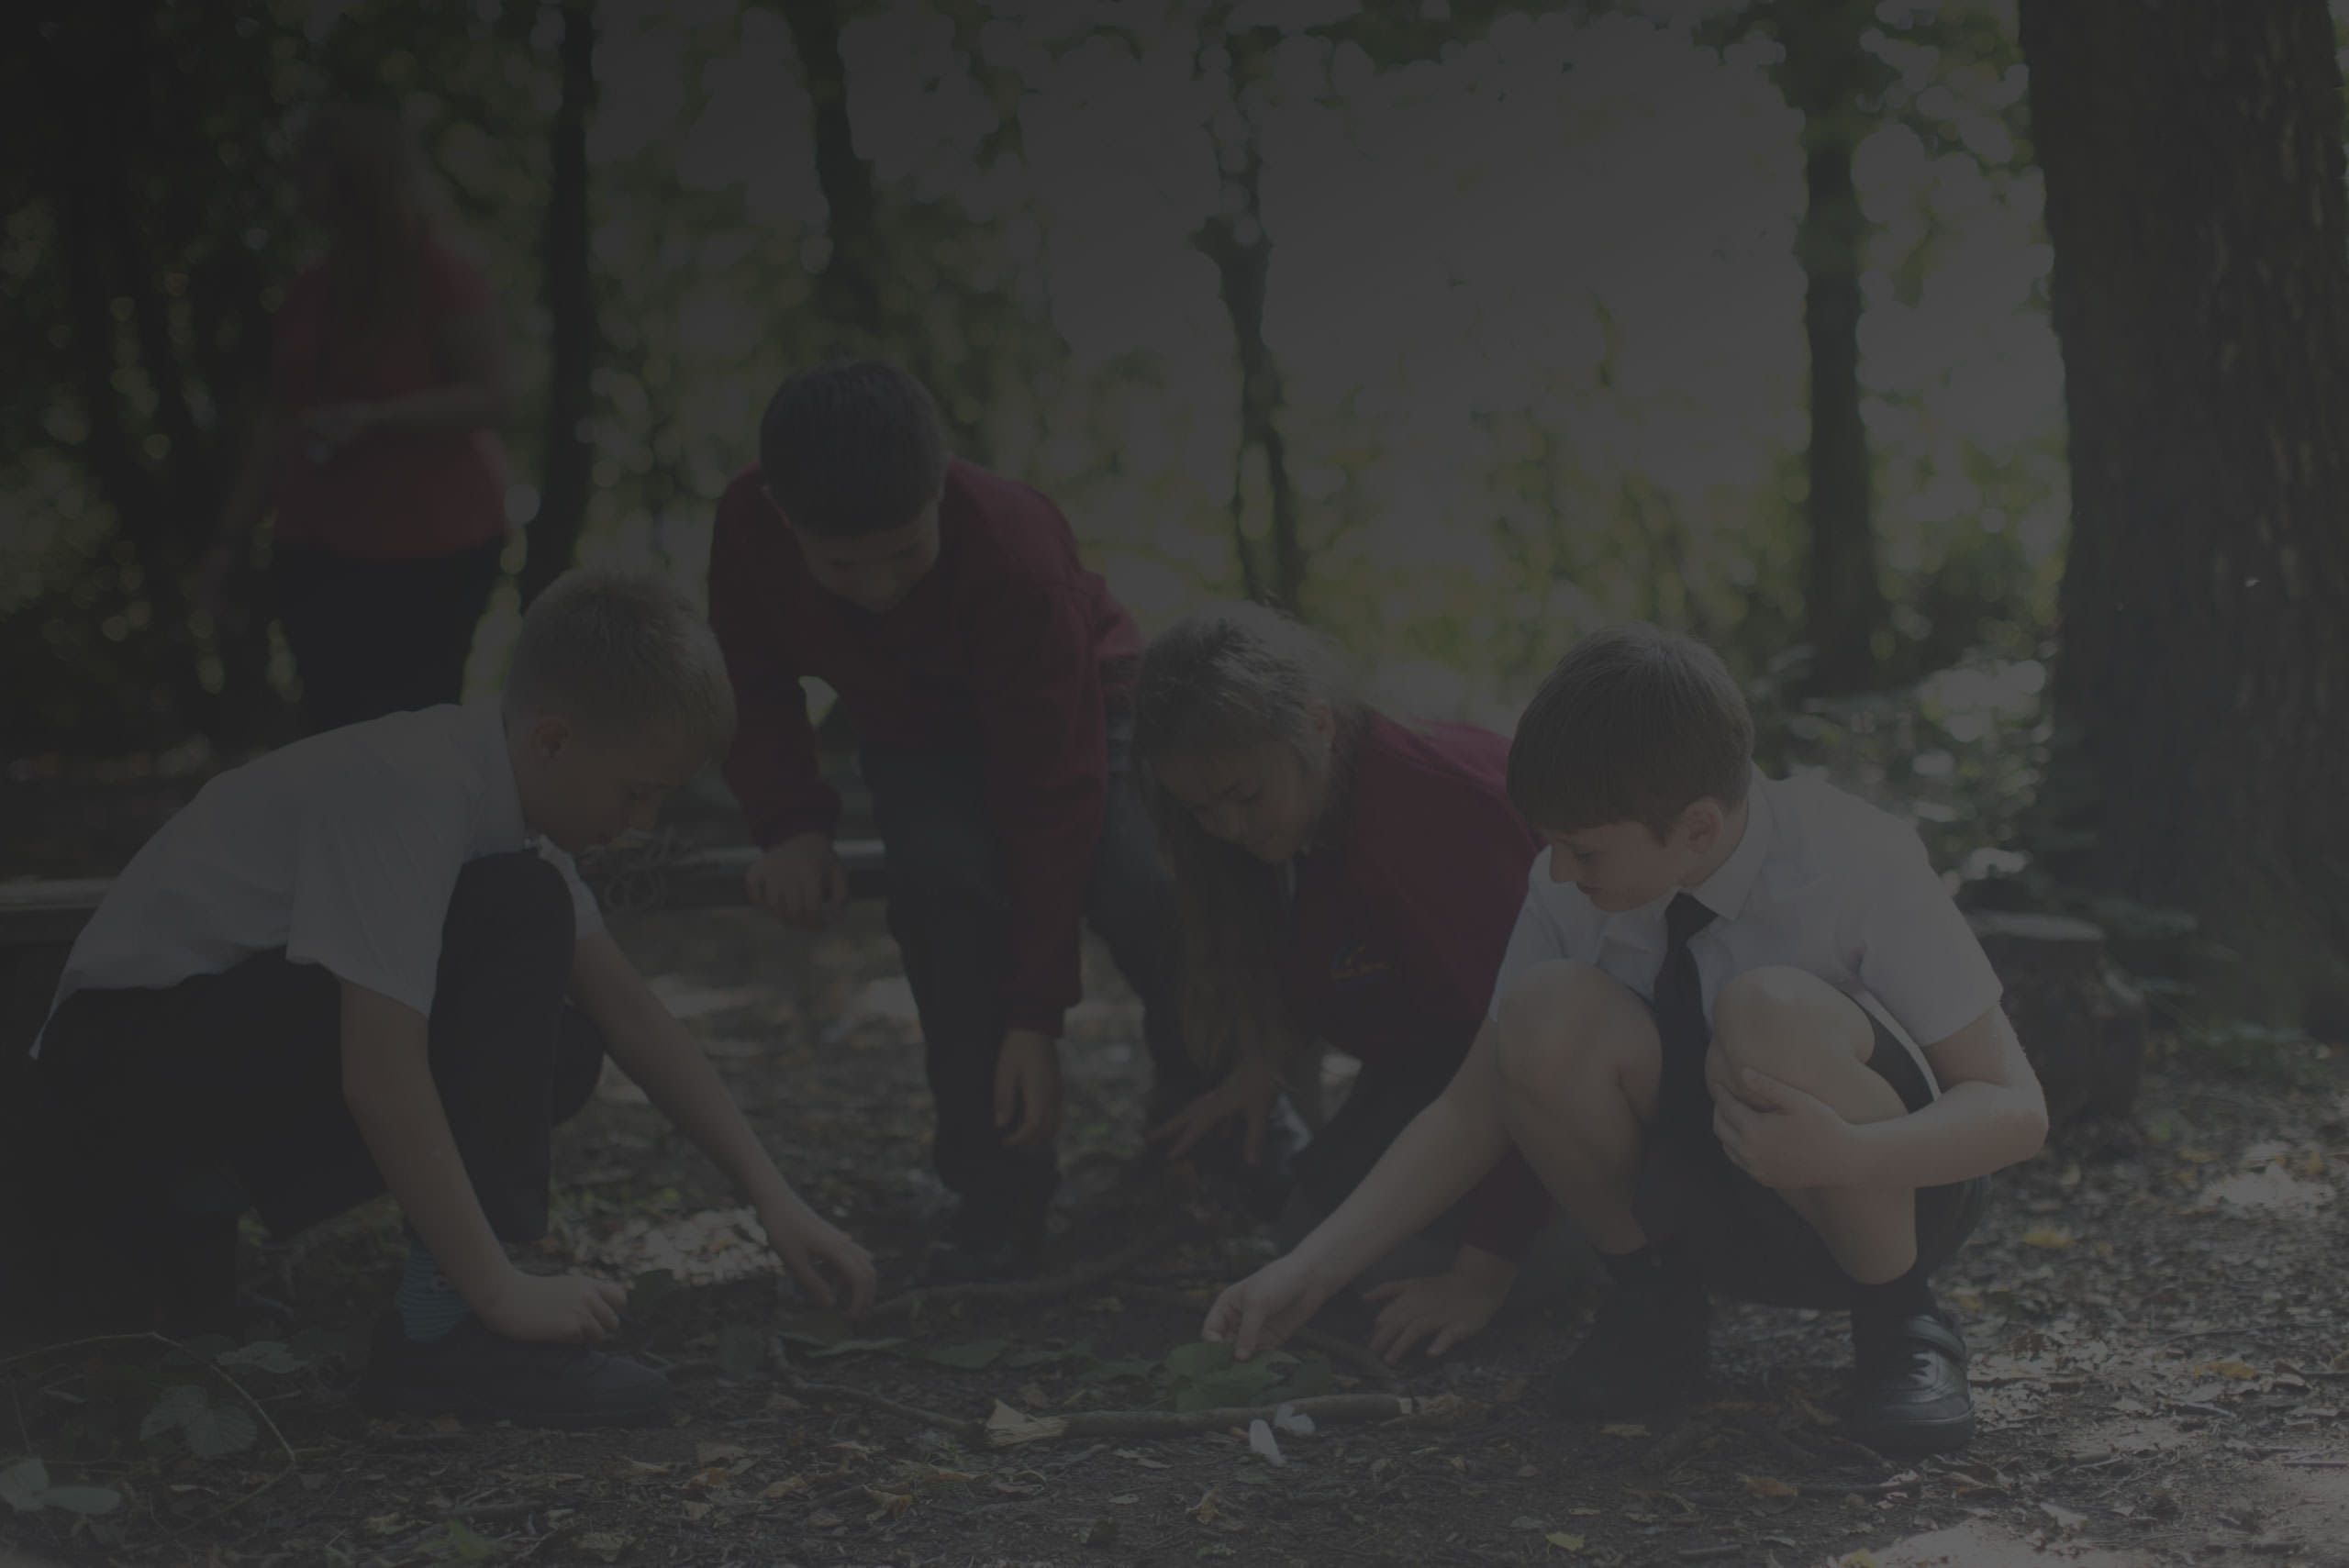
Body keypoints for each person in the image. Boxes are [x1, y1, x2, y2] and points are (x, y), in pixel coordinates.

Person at [26, 569, 875, 1427]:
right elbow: (379, 1076)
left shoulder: (502, 801)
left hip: (174, 1079)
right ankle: (452, 1330)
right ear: (553, 740)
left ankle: (190, 1236)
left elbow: (634, 1017)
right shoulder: (416, 787)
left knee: (567, 1044)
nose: (644, 822)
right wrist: (499, 1288)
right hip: (106, 1096)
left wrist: (775, 1199)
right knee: (522, 912)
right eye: (637, 791)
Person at [1199, 623, 2048, 1454]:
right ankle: (1654, 1303)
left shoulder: (1853, 855)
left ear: (1698, 828)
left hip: (1889, 1192)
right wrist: (1307, 1270)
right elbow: (1469, 1108)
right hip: (1714, 1204)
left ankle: (1902, 1326)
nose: (1559, 871)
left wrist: (1846, 1155)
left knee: (1767, 1012)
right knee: (1539, 1012)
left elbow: (2015, 1109)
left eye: (1584, 851)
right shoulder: (1570, 886)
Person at [707, 359, 1218, 1284]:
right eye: (843, 565)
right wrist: (791, 823)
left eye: (905, 553)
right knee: (947, 892)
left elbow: (1050, 790)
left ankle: (1217, 1113)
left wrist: (1037, 1014)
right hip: (916, 736)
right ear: (782, 514)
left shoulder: (1016, 552)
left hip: (1084, 707)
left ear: (940, 486)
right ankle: (995, 1189)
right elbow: (752, 680)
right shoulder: (745, 524)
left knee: (1145, 883)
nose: (878, 587)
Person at [1134, 602, 1555, 1363]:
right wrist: (1263, 1062)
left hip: (1557, 1084)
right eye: (1202, 808)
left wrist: (1480, 1273)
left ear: (1318, 726)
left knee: (1377, 1280)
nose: (1228, 826)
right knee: (1302, 1244)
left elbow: (1534, 1052)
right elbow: (1336, 958)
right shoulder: (1306, 819)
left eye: (1244, 796)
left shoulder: (1435, 811)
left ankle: (1604, 1239)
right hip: (1427, 1072)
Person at [195, 101, 513, 733]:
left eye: (311, 166)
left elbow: (492, 396)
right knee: (333, 730)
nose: (297, 183)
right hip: (317, 546)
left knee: (415, 731)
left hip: (435, 546)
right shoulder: (310, 289)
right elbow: (277, 421)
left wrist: (377, 418)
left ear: (358, 175)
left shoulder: (442, 277)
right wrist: (230, 540)